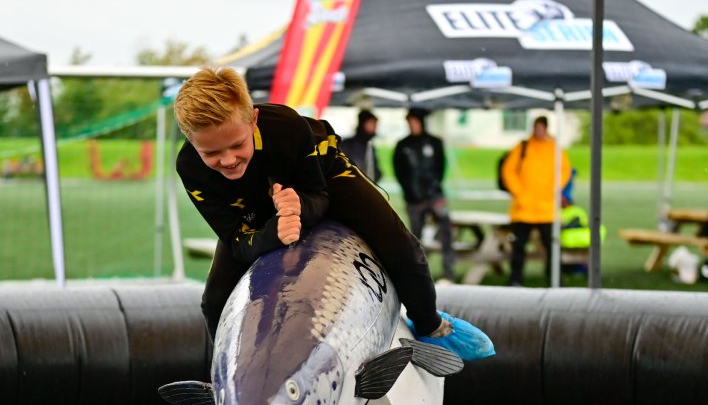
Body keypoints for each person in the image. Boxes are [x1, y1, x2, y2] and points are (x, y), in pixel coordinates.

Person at [172, 66, 492, 361]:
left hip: (323, 177)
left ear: (253, 120)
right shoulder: (190, 168)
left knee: (402, 247)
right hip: (259, 204)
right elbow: (235, 240)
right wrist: (274, 232)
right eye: (211, 153)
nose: (227, 160)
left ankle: (429, 323)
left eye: (236, 145)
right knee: (213, 301)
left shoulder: (287, 128)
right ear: (190, 141)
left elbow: (320, 197)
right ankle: (230, 369)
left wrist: (298, 209)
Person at [501, 116, 572, 287]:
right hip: (524, 208)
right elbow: (508, 170)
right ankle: (516, 279)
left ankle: (554, 278)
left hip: (546, 208)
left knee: (552, 245)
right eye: (536, 128)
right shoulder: (523, 146)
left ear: (546, 129)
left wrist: (554, 188)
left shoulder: (554, 148)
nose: (538, 131)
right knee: (519, 247)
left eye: (541, 128)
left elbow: (565, 170)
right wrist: (519, 191)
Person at [393, 107, 457, 283]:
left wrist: (433, 191)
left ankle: (448, 271)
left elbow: (440, 168)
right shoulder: (402, 145)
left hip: (435, 196)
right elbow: (399, 172)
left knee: (447, 231)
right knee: (415, 238)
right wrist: (411, 193)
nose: (412, 125)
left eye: (414, 122)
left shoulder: (435, 143)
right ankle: (419, 274)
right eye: (409, 122)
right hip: (413, 200)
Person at [339, 109, 382, 184]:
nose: (375, 127)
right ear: (363, 124)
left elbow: (375, 171)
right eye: (371, 123)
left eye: (375, 124)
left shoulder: (369, 146)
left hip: (365, 188)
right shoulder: (347, 145)